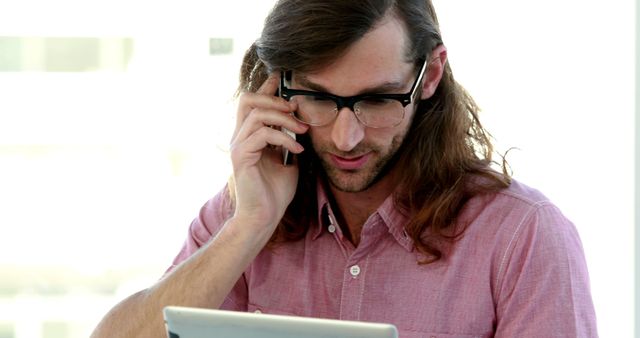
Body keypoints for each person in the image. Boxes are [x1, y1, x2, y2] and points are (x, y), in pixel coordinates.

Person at [91, 0, 598, 337]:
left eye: (377, 100)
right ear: (277, 86)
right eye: (317, 98)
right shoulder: (245, 212)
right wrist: (248, 226)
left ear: (430, 75)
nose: (345, 137)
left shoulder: (524, 236)